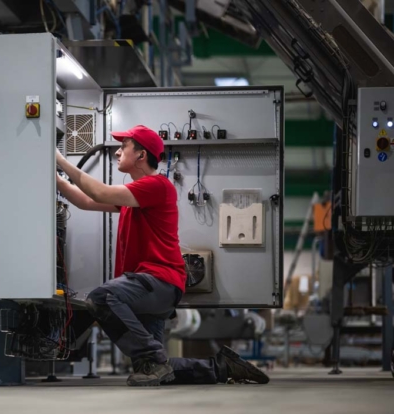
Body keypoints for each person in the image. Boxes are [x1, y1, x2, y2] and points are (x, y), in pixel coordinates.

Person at [55, 124, 269, 387]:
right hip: (149, 288)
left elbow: (98, 192)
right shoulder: (134, 197)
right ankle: (223, 368)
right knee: (153, 366)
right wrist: (53, 177)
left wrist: (58, 159)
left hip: (158, 281)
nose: (117, 153)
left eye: (123, 147)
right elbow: (85, 201)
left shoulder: (157, 185)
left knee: (102, 297)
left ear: (141, 155)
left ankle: (154, 358)